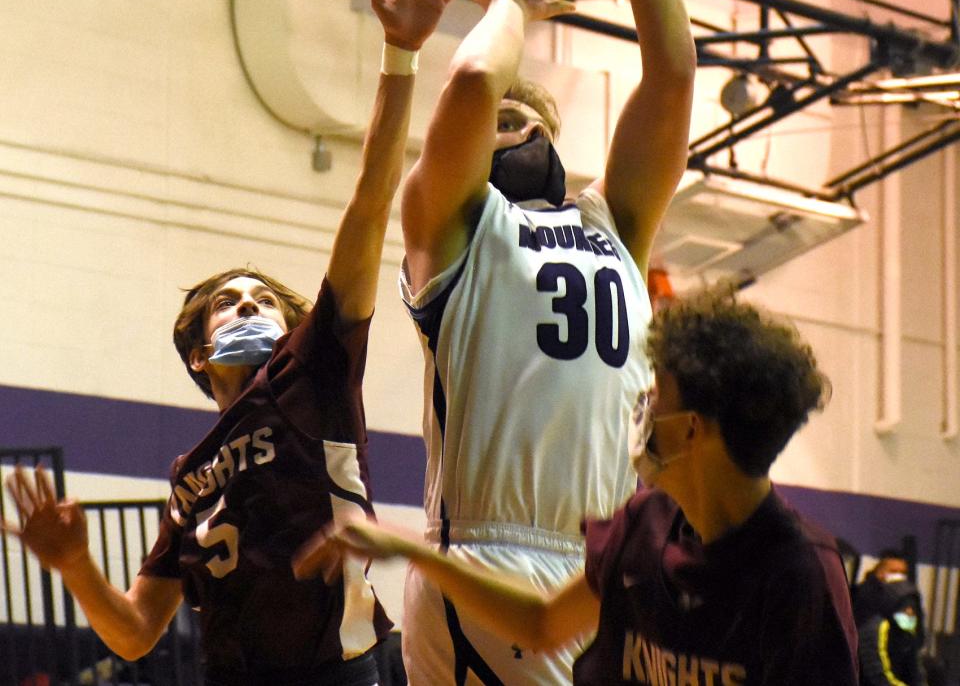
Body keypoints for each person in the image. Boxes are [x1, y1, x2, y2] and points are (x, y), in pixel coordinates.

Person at [2, 0, 459, 686]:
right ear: (199, 355)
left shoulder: (314, 370)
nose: (247, 301)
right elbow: (136, 635)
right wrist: (78, 566)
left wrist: (400, 56)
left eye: (261, 298)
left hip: (345, 671)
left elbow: (370, 201)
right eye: (227, 301)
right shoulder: (187, 478)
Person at [395, 0, 696, 683]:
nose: (513, 125)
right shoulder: (451, 227)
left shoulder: (616, 224)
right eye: (499, 122)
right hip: (491, 558)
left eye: (531, 118)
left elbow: (674, 73)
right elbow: (476, 79)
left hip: (599, 565)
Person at [295, 288, 859, 686]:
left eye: (657, 394)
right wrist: (408, 546)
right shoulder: (646, 522)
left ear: (691, 429)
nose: (642, 406)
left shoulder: (799, 574)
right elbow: (542, 624)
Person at [858, 578, 925, 686]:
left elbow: (916, 671)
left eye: (913, 609)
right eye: (905, 608)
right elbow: (877, 673)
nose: (909, 613)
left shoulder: (908, 632)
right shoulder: (875, 629)